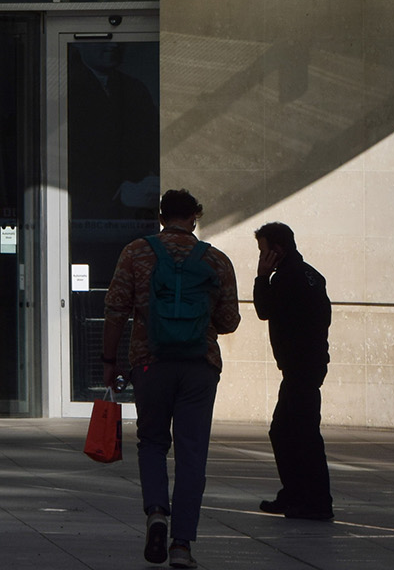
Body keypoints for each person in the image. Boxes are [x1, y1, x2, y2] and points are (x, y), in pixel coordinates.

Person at [101, 189, 241, 570]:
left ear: (161, 216)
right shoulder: (215, 260)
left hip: (150, 363)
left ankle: (157, 513)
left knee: (151, 443)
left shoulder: (136, 253)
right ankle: (181, 545)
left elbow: (115, 309)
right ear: (194, 216)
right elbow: (230, 321)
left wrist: (109, 361)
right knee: (192, 453)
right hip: (200, 366)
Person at [252, 222, 332, 521]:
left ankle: (315, 500)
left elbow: (264, 309)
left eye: (263, 252)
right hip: (308, 364)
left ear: (277, 251)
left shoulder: (286, 278)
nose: (261, 258)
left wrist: (262, 277)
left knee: (301, 433)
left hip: (301, 366)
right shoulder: (311, 275)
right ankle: (297, 493)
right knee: (287, 430)